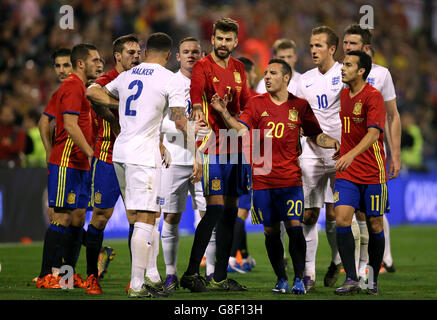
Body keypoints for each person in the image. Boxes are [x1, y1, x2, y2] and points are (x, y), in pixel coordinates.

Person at [210, 58, 340, 294]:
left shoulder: (299, 106)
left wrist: (332, 142)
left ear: (286, 78)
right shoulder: (256, 103)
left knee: (294, 227)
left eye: (273, 73)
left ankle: (299, 279)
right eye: (266, 73)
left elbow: (315, 135)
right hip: (262, 179)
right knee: (270, 231)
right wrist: (223, 113)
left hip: (290, 180)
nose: (267, 77)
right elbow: (241, 130)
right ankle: (281, 278)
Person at [86, 32, 200, 298]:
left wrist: (118, 102)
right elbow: (181, 121)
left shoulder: (126, 76)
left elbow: (92, 91)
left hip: (120, 152)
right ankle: (138, 285)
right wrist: (196, 153)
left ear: (146, 51)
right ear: (169, 56)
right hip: (143, 157)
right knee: (147, 218)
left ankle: (148, 277)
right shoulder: (170, 79)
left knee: (136, 218)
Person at [180, 17, 252, 292]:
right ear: (213, 39)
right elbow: (196, 92)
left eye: (228, 39)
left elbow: (245, 103)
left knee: (231, 212)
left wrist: (241, 117)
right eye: (219, 38)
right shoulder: (202, 66)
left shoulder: (238, 68)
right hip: (212, 147)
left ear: (235, 42)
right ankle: (189, 273)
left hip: (236, 147)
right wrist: (198, 109)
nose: (223, 44)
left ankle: (219, 277)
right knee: (216, 208)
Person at [295, 26, 360, 290]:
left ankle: (342, 265)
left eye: (319, 46)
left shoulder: (345, 74)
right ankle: (308, 274)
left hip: (341, 154)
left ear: (332, 49)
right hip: (311, 152)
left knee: (339, 214)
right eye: (311, 45)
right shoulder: (304, 80)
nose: (313, 50)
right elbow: (298, 116)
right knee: (309, 214)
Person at [36, 43, 103, 289]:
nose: (99, 63)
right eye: (95, 60)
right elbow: (70, 125)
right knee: (61, 217)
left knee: (76, 218)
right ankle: (46, 275)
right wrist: (90, 153)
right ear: (82, 63)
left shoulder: (80, 87)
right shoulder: (73, 86)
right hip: (67, 161)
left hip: (79, 164)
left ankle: (66, 274)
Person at [83, 34, 141, 294]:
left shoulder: (142, 79)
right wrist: (122, 104)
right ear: (117, 56)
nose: (136, 57)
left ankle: (136, 278)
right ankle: (92, 276)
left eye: (138, 52)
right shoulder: (109, 80)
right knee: (100, 217)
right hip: (107, 156)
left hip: (134, 159)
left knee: (136, 219)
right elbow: (91, 92)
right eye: (130, 52)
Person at [342, 24, 401, 276]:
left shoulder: (380, 78)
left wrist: (395, 154)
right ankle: (353, 273)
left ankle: (374, 271)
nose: (347, 48)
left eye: (352, 45)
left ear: (365, 49)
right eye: (345, 44)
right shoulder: (341, 78)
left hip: (370, 159)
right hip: (344, 159)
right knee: (343, 218)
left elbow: (392, 116)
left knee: (373, 219)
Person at [159, 36, 213, 292]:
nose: (191, 55)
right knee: (171, 215)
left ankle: (211, 273)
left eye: (195, 52)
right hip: (177, 158)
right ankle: (171, 274)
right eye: (186, 52)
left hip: (207, 157)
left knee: (208, 215)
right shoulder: (171, 82)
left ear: (202, 55)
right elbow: (169, 120)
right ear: (177, 57)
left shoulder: (208, 82)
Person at [334, 50, 387, 295]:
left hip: (372, 171)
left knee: (375, 225)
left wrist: (350, 154)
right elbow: (349, 130)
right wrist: (342, 150)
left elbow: (374, 133)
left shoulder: (373, 96)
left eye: (347, 65)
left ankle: (371, 279)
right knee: (342, 219)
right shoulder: (344, 94)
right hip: (347, 171)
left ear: (361, 70)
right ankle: (352, 278)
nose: (342, 68)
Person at [227, 57, 258, 274]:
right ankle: (230, 258)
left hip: (231, 153)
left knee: (235, 207)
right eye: (254, 72)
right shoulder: (252, 98)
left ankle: (243, 255)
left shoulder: (231, 96)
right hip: (248, 156)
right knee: (242, 210)